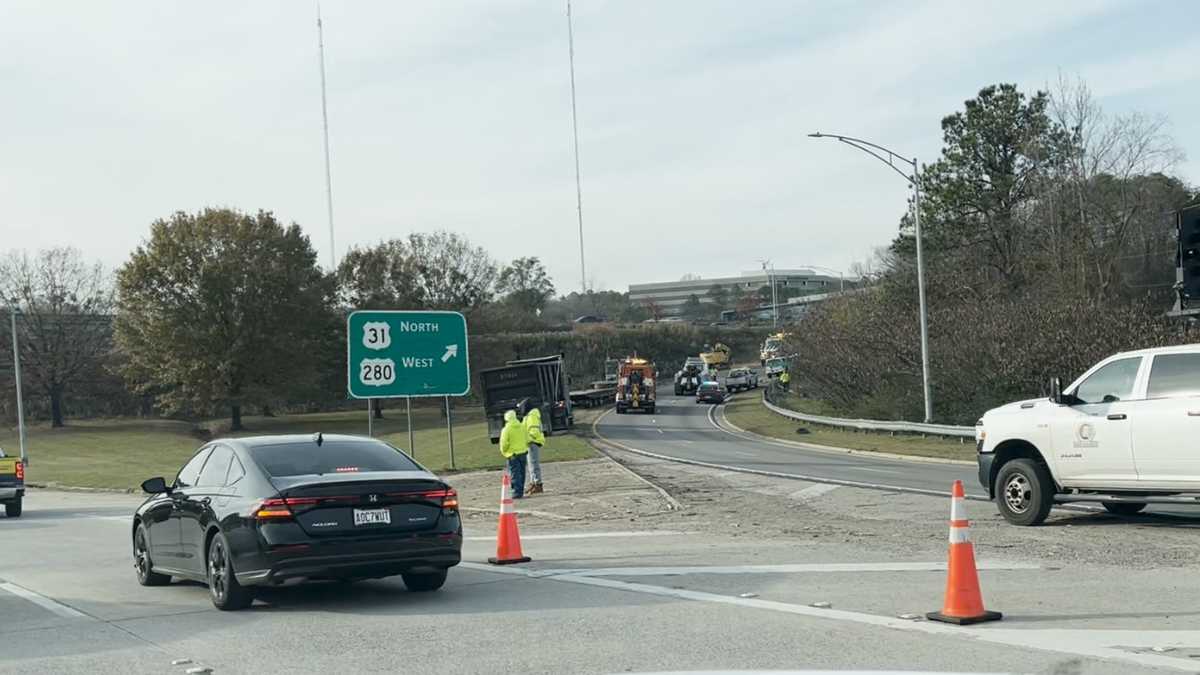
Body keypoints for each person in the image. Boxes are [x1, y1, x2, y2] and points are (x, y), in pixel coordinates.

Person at [499, 410, 529, 498]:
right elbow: (527, 438)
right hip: (523, 452)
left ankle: (516, 492)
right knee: (522, 473)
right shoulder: (522, 426)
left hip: (512, 454)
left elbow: (504, 443)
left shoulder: (506, 429)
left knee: (515, 473)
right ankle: (521, 490)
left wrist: (504, 452)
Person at [523, 406, 546, 494]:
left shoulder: (532, 416)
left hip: (532, 442)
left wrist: (529, 439)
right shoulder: (529, 416)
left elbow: (534, 431)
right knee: (531, 465)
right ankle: (533, 483)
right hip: (530, 443)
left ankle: (538, 484)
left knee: (533, 464)